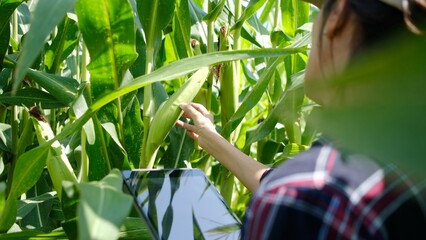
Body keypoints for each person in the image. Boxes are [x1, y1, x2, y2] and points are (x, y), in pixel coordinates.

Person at [177, 0, 426, 239]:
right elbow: (278, 182)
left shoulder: (308, 199)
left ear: (337, 17)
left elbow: (301, 195)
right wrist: (211, 138)